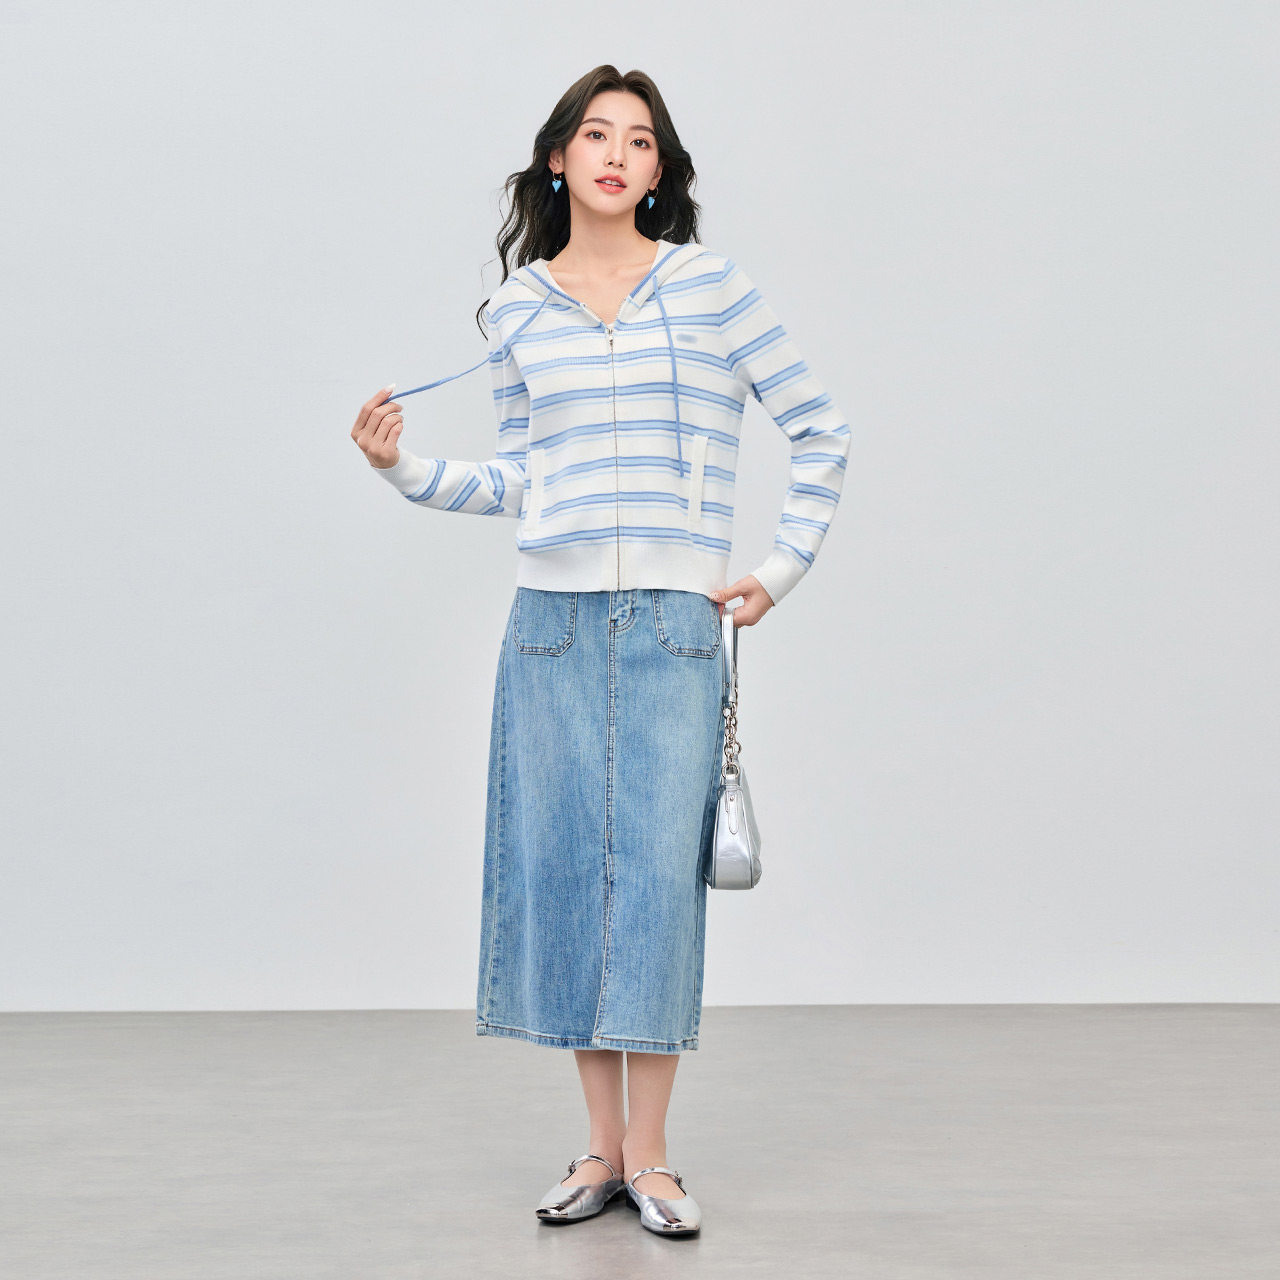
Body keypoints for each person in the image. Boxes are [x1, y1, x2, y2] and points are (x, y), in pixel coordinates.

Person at [350, 64, 851, 1238]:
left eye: (638, 140)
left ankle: (655, 1155)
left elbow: (819, 428)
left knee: (657, 890)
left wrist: (777, 568)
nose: (616, 154)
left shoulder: (713, 289)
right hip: (551, 625)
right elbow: (521, 475)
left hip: (675, 621)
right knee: (573, 875)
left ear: (659, 171)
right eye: (595, 134)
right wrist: (401, 467)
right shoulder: (517, 310)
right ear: (558, 159)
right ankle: (599, 1149)